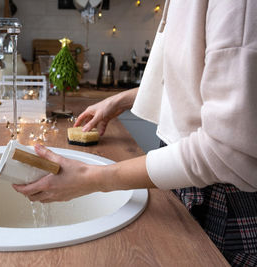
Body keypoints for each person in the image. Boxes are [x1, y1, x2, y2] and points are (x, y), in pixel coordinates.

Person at [13, 1, 257, 266]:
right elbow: (197, 86)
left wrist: (91, 178)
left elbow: (227, 150)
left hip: (227, 202)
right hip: (187, 180)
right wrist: (121, 100)